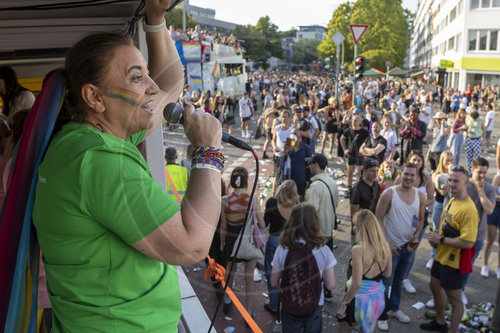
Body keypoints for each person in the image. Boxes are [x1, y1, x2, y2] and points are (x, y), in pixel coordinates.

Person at [32, 2, 222, 330]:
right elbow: (191, 245)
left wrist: (156, 20)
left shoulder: (87, 141)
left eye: (146, 73)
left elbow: (171, 86)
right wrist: (207, 153)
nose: (150, 87)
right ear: (95, 97)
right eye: (137, 77)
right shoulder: (99, 163)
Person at [421, 166, 479, 333]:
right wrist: (436, 237)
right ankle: (440, 322)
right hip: (441, 256)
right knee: (434, 286)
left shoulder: (469, 209)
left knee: (455, 299)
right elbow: (446, 227)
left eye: (456, 181)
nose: (452, 184)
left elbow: (468, 242)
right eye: (450, 180)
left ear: (466, 182)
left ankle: (452, 330)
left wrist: (441, 240)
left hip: (455, 263)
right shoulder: (452, 200)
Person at [271, 204, 336, 333]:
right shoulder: (323, 250)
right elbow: (330, 285)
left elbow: (273, 282)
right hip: (315, 305)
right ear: (315, 223)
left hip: (291, 306)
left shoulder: (282, 248)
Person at [375, 163, 426, 330]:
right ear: (400, 174)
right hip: (390, 247)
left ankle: (395, 308)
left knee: (399, 280)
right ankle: (381, 315)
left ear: (417, 178)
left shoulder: (420, 196)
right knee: (385, 282)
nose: (409, 178)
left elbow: (420, 219)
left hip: (408, 247)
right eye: (406, 174)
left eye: (412, 175)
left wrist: (417, 235)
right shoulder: (389, 194)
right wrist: (387, 243)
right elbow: (378, 219)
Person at [337, 210, 392, 333]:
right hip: (378, 297)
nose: (354, 228)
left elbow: (356, 283)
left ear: (361, 228)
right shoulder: (385, 246)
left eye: (355, 225)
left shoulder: (358, 249)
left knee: (344, 329)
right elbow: (388, 274)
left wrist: (344, 305)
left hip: (358, 299)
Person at [220, 167, 265, 317]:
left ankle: (227, 301)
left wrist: (222, 244)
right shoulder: (252, 200)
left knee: (230, 275)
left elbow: (223, 226)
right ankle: (249, 312)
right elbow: (262, 224)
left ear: (232, 181)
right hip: (249, 243)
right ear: (246, 181)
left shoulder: (225, 201)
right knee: (249, 278)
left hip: (232, 244)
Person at [305, 153, 339, 301]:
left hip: (317, 232)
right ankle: (328, 291)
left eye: (310, 164)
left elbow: (311, 212)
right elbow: (336, 203)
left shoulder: (315, 186)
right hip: (329, 229)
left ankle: (317, 291)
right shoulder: (331, 182)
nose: (308, 166)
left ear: (316, 165)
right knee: (327, 263)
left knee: (316, 265)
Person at [263, 180, 300, 315]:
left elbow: (264, 224)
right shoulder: (297, 205)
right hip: (290, 242)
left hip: (274, 241)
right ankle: (287, 303)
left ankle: (274, 305)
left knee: (271, 272)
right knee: (289, 274)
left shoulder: (272, 202)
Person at [461, 158, 494, 291]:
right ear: (472, 170)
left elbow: (489, 210)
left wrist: (481, 191)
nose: (482, 176)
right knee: (452, 266)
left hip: (477, 235)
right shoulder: (464, 185)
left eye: (485, 173)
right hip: (460, 233)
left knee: (468, 267)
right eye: (479, 172)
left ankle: (461, 291)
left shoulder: (489, 188)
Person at [426, 151, 454, 271]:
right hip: (439, 205)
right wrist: (450, 174)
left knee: (448, 232)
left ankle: (444, 257)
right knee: (437, 229)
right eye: (447, 160)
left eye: (451, 160)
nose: (449, 163)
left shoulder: (455, 173)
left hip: (451, 206)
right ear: (442, 161)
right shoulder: (436, 174)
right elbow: (443, 191)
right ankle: (433, 257)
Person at [350, 158, 381, 243]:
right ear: (364, 170)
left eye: (377, 171)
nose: (375, 174)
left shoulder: (376, 186)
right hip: (361, 228)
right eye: (372, 171)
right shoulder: (357, 189)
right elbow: (354, 214)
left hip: (373, 227)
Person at [340, 114, 369, 197]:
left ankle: (359, 190)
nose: (354, 121)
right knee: (350, 173)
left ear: (360, 122)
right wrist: (344, 149)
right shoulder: (348, 130)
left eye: (357, 119)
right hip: (351, 154)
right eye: (353, 119)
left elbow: (369, 142)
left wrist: (364, 151)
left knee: (360, 174)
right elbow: (342, 139)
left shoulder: (364, 132)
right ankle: (350, 190)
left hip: (360, 155)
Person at [483, 172, 500, 279]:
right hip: (496, 210)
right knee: (490, 240)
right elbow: (493, 196)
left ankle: (499, 267)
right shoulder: (498, 177)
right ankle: (485, 265)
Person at [464, 109, 484, 174]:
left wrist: (483, 139)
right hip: (469, 138)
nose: (474, 119)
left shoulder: (481, 119)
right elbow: (465, 127)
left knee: (478, 157)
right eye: (473, 118)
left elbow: (484, 128)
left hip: (477, 139)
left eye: (475, 118)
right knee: (469, 156)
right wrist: (467, 131)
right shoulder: (467, 118)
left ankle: (477, 171)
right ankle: (469, 171)